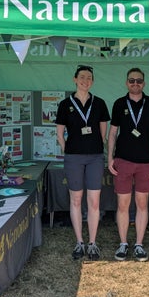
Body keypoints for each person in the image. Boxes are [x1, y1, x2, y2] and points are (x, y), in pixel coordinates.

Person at [107, 68, 149, 262]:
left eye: (139, 80)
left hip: (146, 162)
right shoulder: (118, 103)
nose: (135, 83)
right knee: (122, 205)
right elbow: (112, 133)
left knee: (142, 204)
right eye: (131, 80)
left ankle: (139, 245)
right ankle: (123, 244)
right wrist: (109, 158)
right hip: (123, 161)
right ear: (126, 83)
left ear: (144, 83)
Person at [56, 65, 110, 261]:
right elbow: (60, 133)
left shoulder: (100, 103)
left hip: (95, 157)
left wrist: (94, 145)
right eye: (82, 77)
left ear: (92, 82)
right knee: (76, 200)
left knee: (94, 201)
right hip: (73, 158)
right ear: (75, 79)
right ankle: (79, 241)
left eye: (89, 78)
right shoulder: (65, 104)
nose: (85, 80)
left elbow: (103, 132)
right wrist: (68, 149)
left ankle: (92, 242)